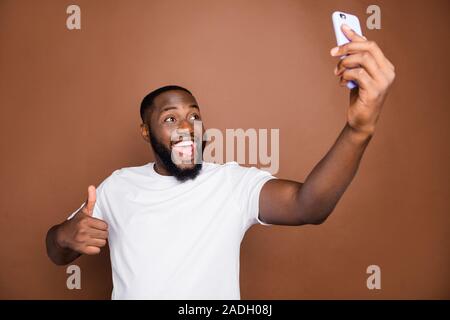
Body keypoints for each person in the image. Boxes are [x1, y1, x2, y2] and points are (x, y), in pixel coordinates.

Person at [46, 25, 395, 299]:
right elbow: (57, 252)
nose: (186, 127)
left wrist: (358, 129)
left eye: (193, 116)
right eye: (170, 119)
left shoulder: (231, 183)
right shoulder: (118, 185)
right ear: (144, 131)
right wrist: (64, 236)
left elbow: (309, 206)